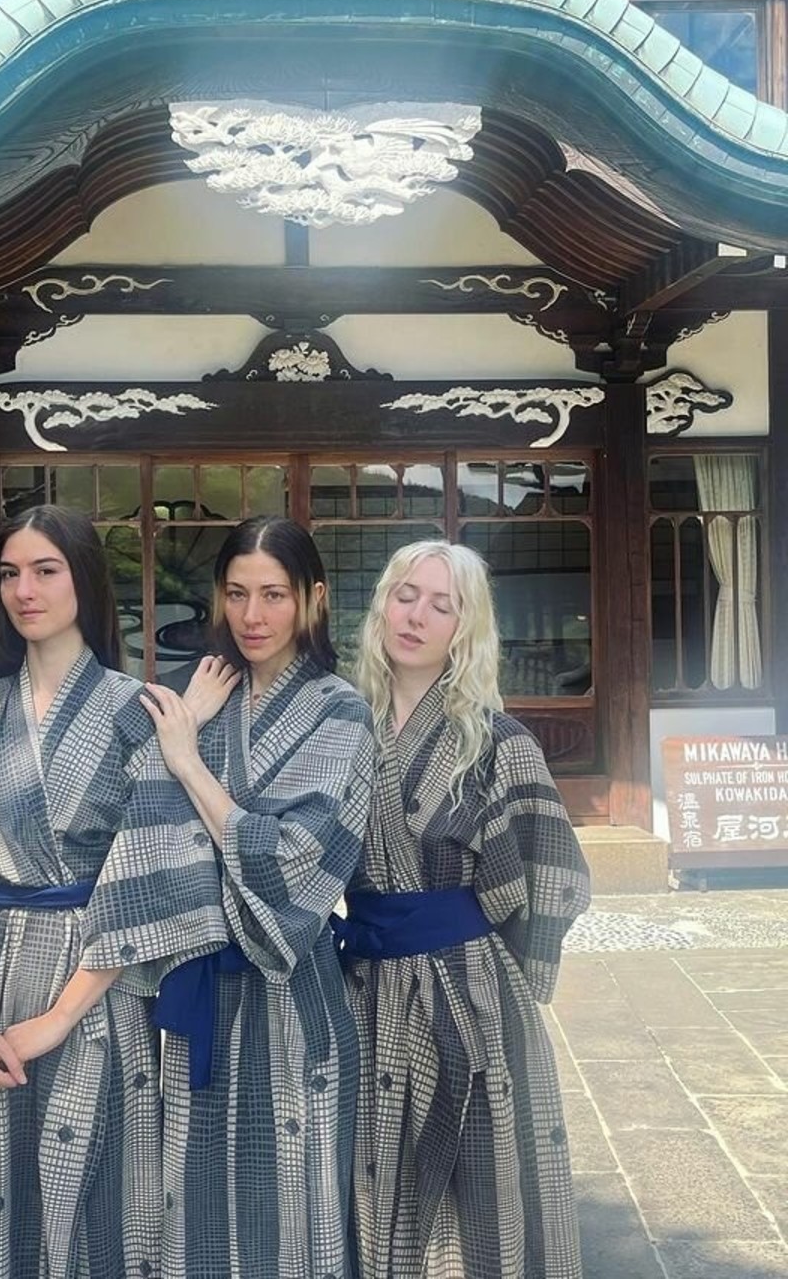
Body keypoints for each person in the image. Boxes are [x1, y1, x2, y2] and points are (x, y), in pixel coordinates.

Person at [0, 504, 203, 1279]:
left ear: (83, 579)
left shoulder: (140, 716)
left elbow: (146, 882)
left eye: (46, 571)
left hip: (97, 992)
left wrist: (58, 1019)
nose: (25, 590)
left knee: (101, 1201)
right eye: (10, 573)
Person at [76, 515, 376, 1279]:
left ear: (313, 598)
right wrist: (189, 731)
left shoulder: (341, 710)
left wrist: (186, 762)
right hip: (198, 999)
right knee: (197, 1209)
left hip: (294, 996)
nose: (252, 615)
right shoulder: (198, 697)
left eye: (274, 594)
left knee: (297, 1213)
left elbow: (297, 861)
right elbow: (131, 825)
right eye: (236, 593)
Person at [337, 539, 589, 1279]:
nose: (416, 616)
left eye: (441, 606)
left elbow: (554, 871)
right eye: (406, 595)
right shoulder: (341, 729)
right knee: (371, 1176)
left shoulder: (498, 742)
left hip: (467, 989)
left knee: (475, 1189)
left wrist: (510, 969)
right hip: (363, 986)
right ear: (383, 605)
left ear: (465, 629)